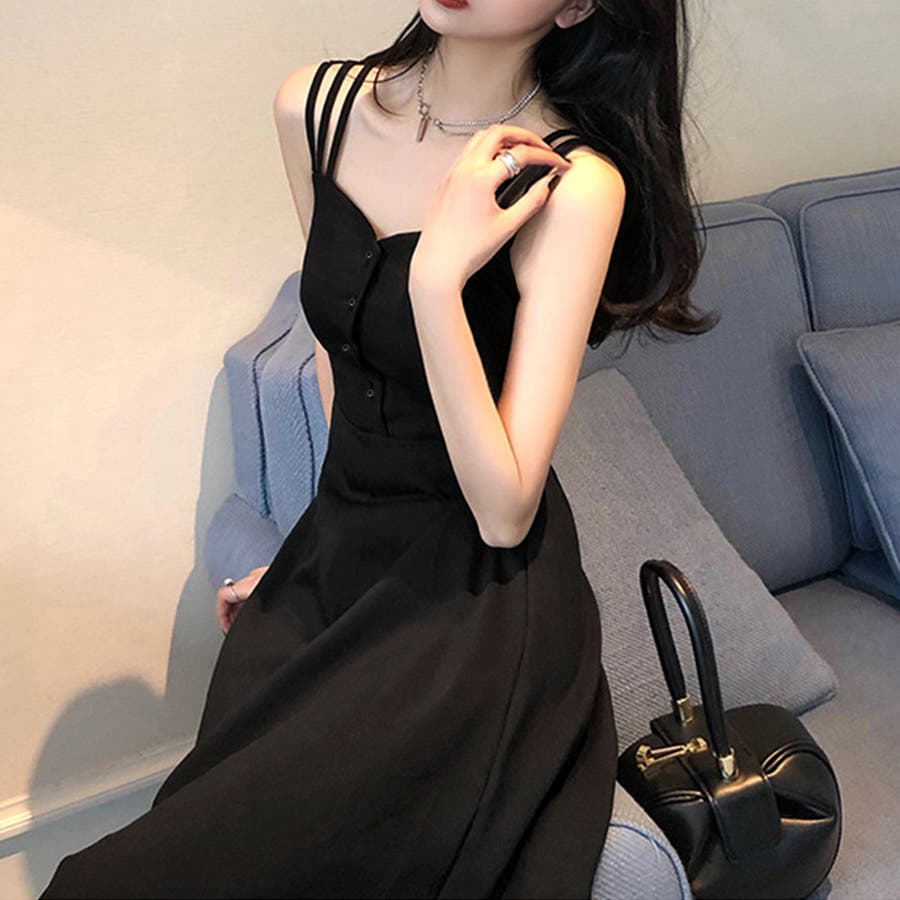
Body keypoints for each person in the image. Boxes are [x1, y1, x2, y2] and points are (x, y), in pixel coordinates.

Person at [39, 0, 718, 897]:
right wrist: (309, 557)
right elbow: (343, 363)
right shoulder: (313, 109)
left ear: (580, 5)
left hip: (474, 606)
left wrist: (438, 283)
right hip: (350, 556)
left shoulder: (572, 183)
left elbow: (505, 511)